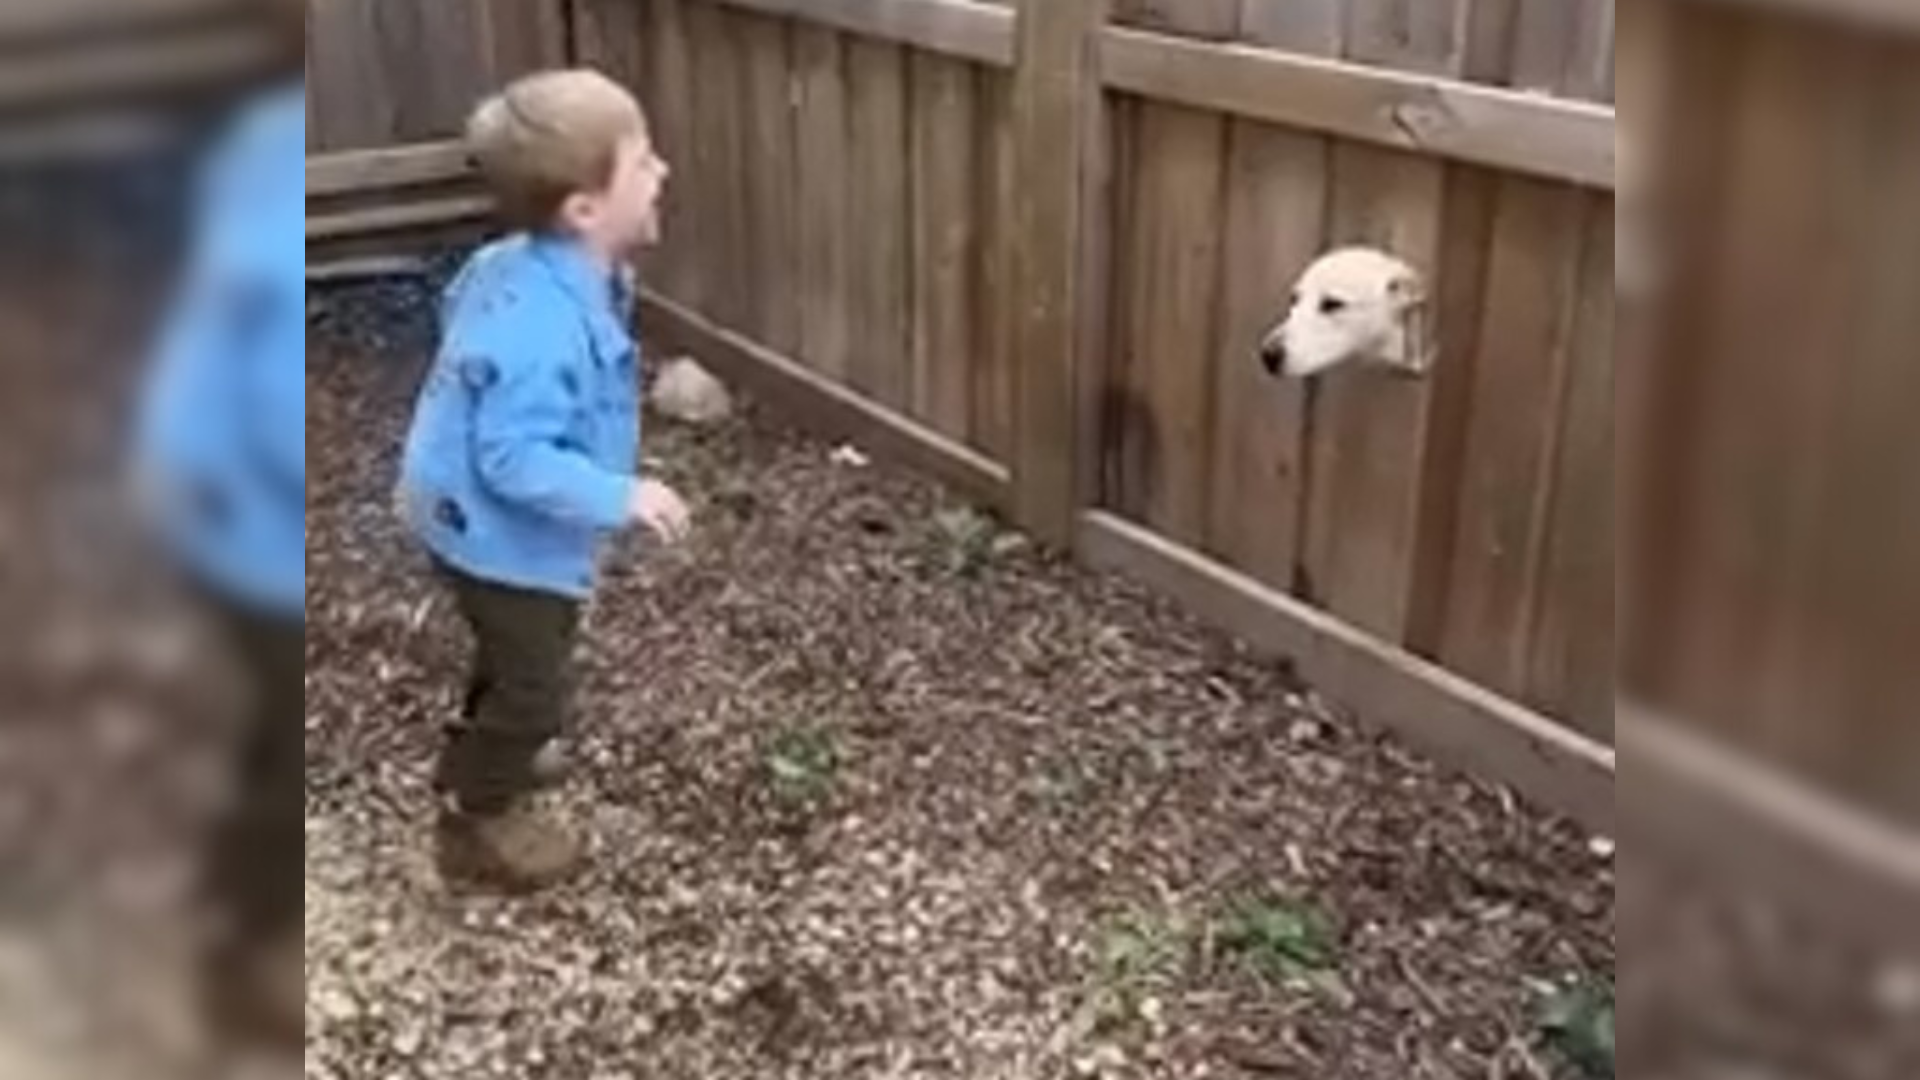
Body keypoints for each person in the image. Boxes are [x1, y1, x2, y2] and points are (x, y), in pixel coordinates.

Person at [396, 69, 691, 893]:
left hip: (454, 503)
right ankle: (474, 817)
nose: (662, 170)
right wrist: (618, 494)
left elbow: (459, 319)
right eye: (641, 162)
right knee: (535, 680)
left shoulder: (517, 267)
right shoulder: (546, 323)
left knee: (515, 644)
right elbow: (511, 458)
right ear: (585, 210)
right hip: (492, 530)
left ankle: (498, 742)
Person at [129, 0, 306, 1050]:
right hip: (244, 532)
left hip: (256, 527)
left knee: (264, 733)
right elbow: (207, 335)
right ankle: (235, 958)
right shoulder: (252, 161)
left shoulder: (260, 147)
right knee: (268, 752)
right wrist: (175, 454)